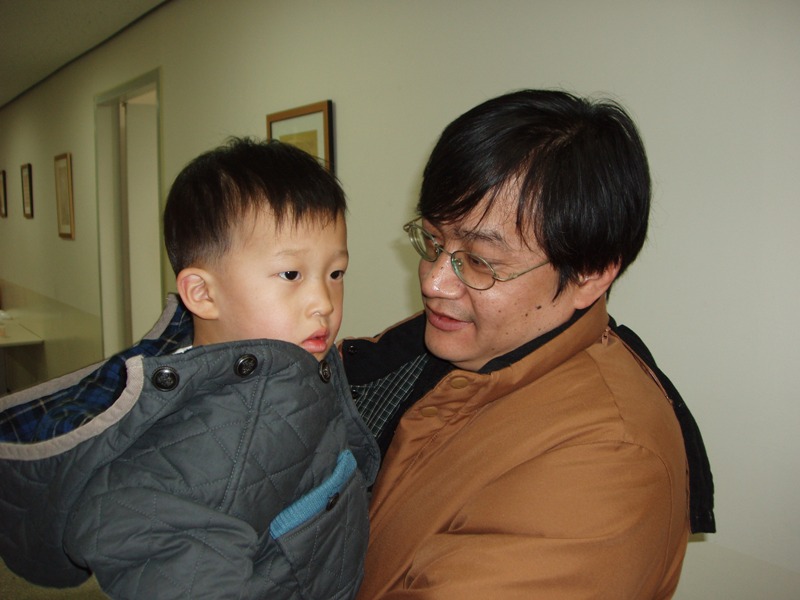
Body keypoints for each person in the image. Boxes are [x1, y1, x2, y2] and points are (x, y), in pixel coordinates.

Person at [341, 90, 715, 599]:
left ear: (589, 274)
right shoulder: (454, 343)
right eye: (433, 241)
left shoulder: (610, 465)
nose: (433, 282)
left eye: (479, 261)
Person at [0, 138, 379, 599]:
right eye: (291, 275)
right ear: (202, 293)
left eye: (335, 273)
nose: (324, 302)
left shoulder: (299, 361)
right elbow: (129, 517)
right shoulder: (191, 451)